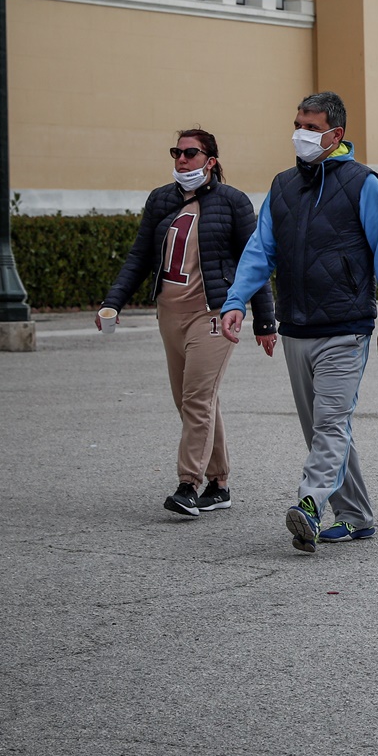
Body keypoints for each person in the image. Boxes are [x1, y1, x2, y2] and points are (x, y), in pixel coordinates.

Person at [220, 92, 378, 554]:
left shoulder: (364, 184)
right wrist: (235, 301)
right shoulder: (283, 185)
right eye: (298, 124)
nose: (300, 134)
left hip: (346, 327)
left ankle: (308, 504)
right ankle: (357, 516)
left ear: (335, 134)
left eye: (310, 126)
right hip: (297, 327)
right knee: (327, 427)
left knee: (329, 424)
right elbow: (260, 251)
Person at [99, 129, 275, 518]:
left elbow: (255, 264)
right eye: (176, 152)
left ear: (210, 160)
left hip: (213, 315)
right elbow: (140, 256)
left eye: (190, 153)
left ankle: (187, 485)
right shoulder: (161, 199)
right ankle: (220, 483)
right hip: (170, 315)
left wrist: (266, 321)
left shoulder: (233, 203)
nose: (181, 159)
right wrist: (113, 302)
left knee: (196, 400)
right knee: (193, 400)